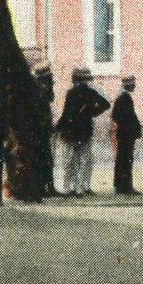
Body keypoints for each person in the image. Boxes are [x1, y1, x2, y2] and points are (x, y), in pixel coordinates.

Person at [55, 68, 110, 197]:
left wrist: (58, 127)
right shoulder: (90, 92)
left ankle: (71, 189)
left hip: (72, 130)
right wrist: (92, 113)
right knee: (83, 161)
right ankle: (81, 187)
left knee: (71, 162)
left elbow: (66, 113)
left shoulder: (73, 93)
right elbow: (105, 104)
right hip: (83, 130)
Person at [110, 77, 142, 196]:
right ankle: (125, 186)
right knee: (125, 160)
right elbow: (125, 116)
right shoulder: (124, 97)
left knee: (122, 159)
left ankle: (121, 185)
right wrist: (131, 128)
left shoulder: (122, 96)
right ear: (128, 85)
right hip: (126, 134)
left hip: (124, 133)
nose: (134, 87)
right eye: (133, 84)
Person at [34, 64, 57, 197]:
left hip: (44, 130)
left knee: (47, 159)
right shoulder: (41, 91)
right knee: (44, 159)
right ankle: (44, 187)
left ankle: (48, 186)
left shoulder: (43, 89)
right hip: (40, 131)